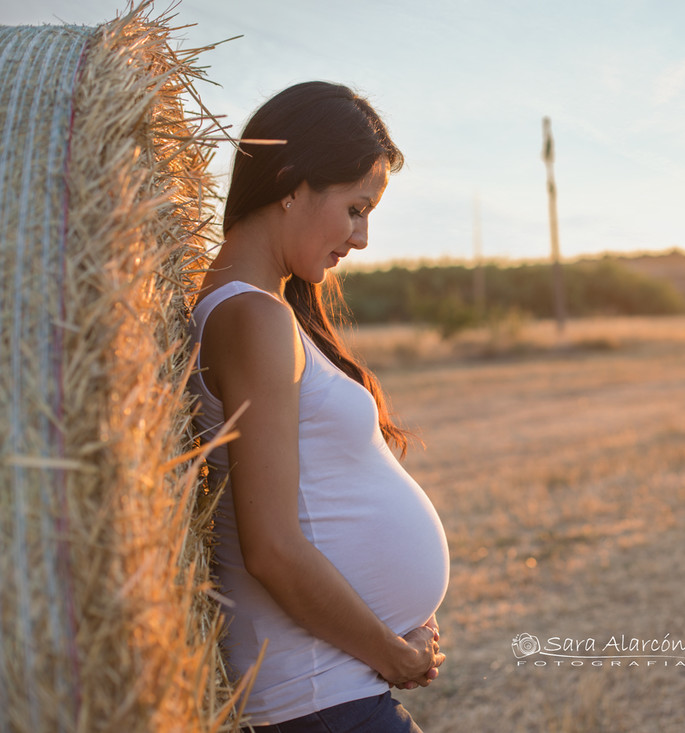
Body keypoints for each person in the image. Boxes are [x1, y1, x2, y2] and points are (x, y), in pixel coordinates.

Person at [187, 81, 448, 732]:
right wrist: (392, 652)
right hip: (321, 698)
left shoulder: (262, 309)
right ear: (291, 181)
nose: (361, 239)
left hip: (335, 688)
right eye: (356, 208)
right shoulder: (252, 316)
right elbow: (271, 545)